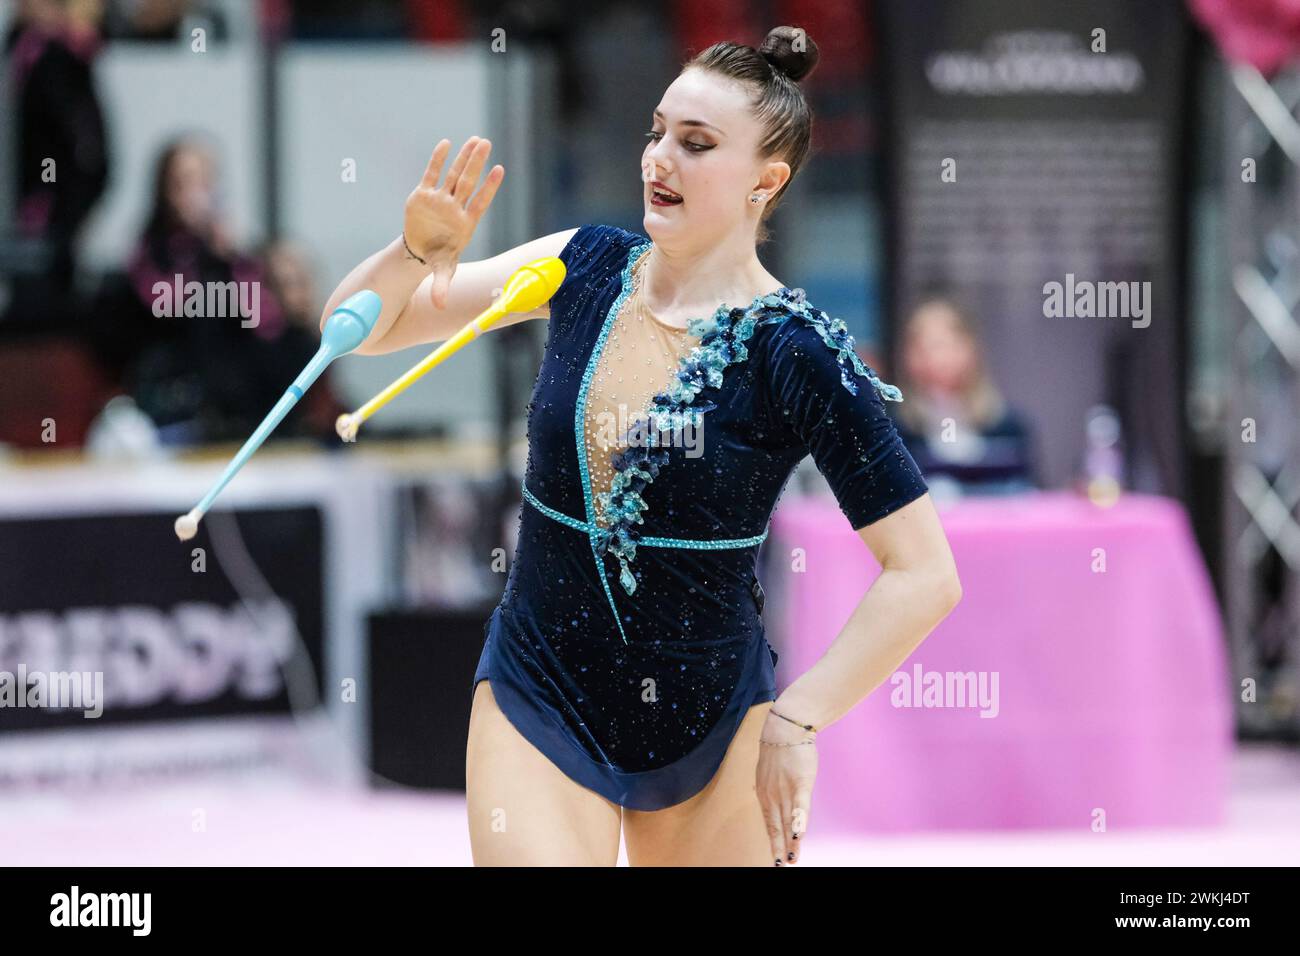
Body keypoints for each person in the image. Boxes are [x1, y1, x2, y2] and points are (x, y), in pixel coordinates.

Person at [323, 26, 961, 867]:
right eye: (657, 131)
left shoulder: (795, 350)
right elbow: (357, 332)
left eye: (694, 144)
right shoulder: (580, 266)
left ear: (766, 182)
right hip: (539, 686)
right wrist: (412, 255)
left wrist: (800, 718)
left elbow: (925, 574)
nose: (659, 158)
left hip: (714, 716)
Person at [892, 296, 1038, 495]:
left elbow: (1032, 495)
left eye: (939, 345)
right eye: (919, 347)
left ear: (968, 349)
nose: (931, 358)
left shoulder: (1009, 426)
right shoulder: (893, 429)